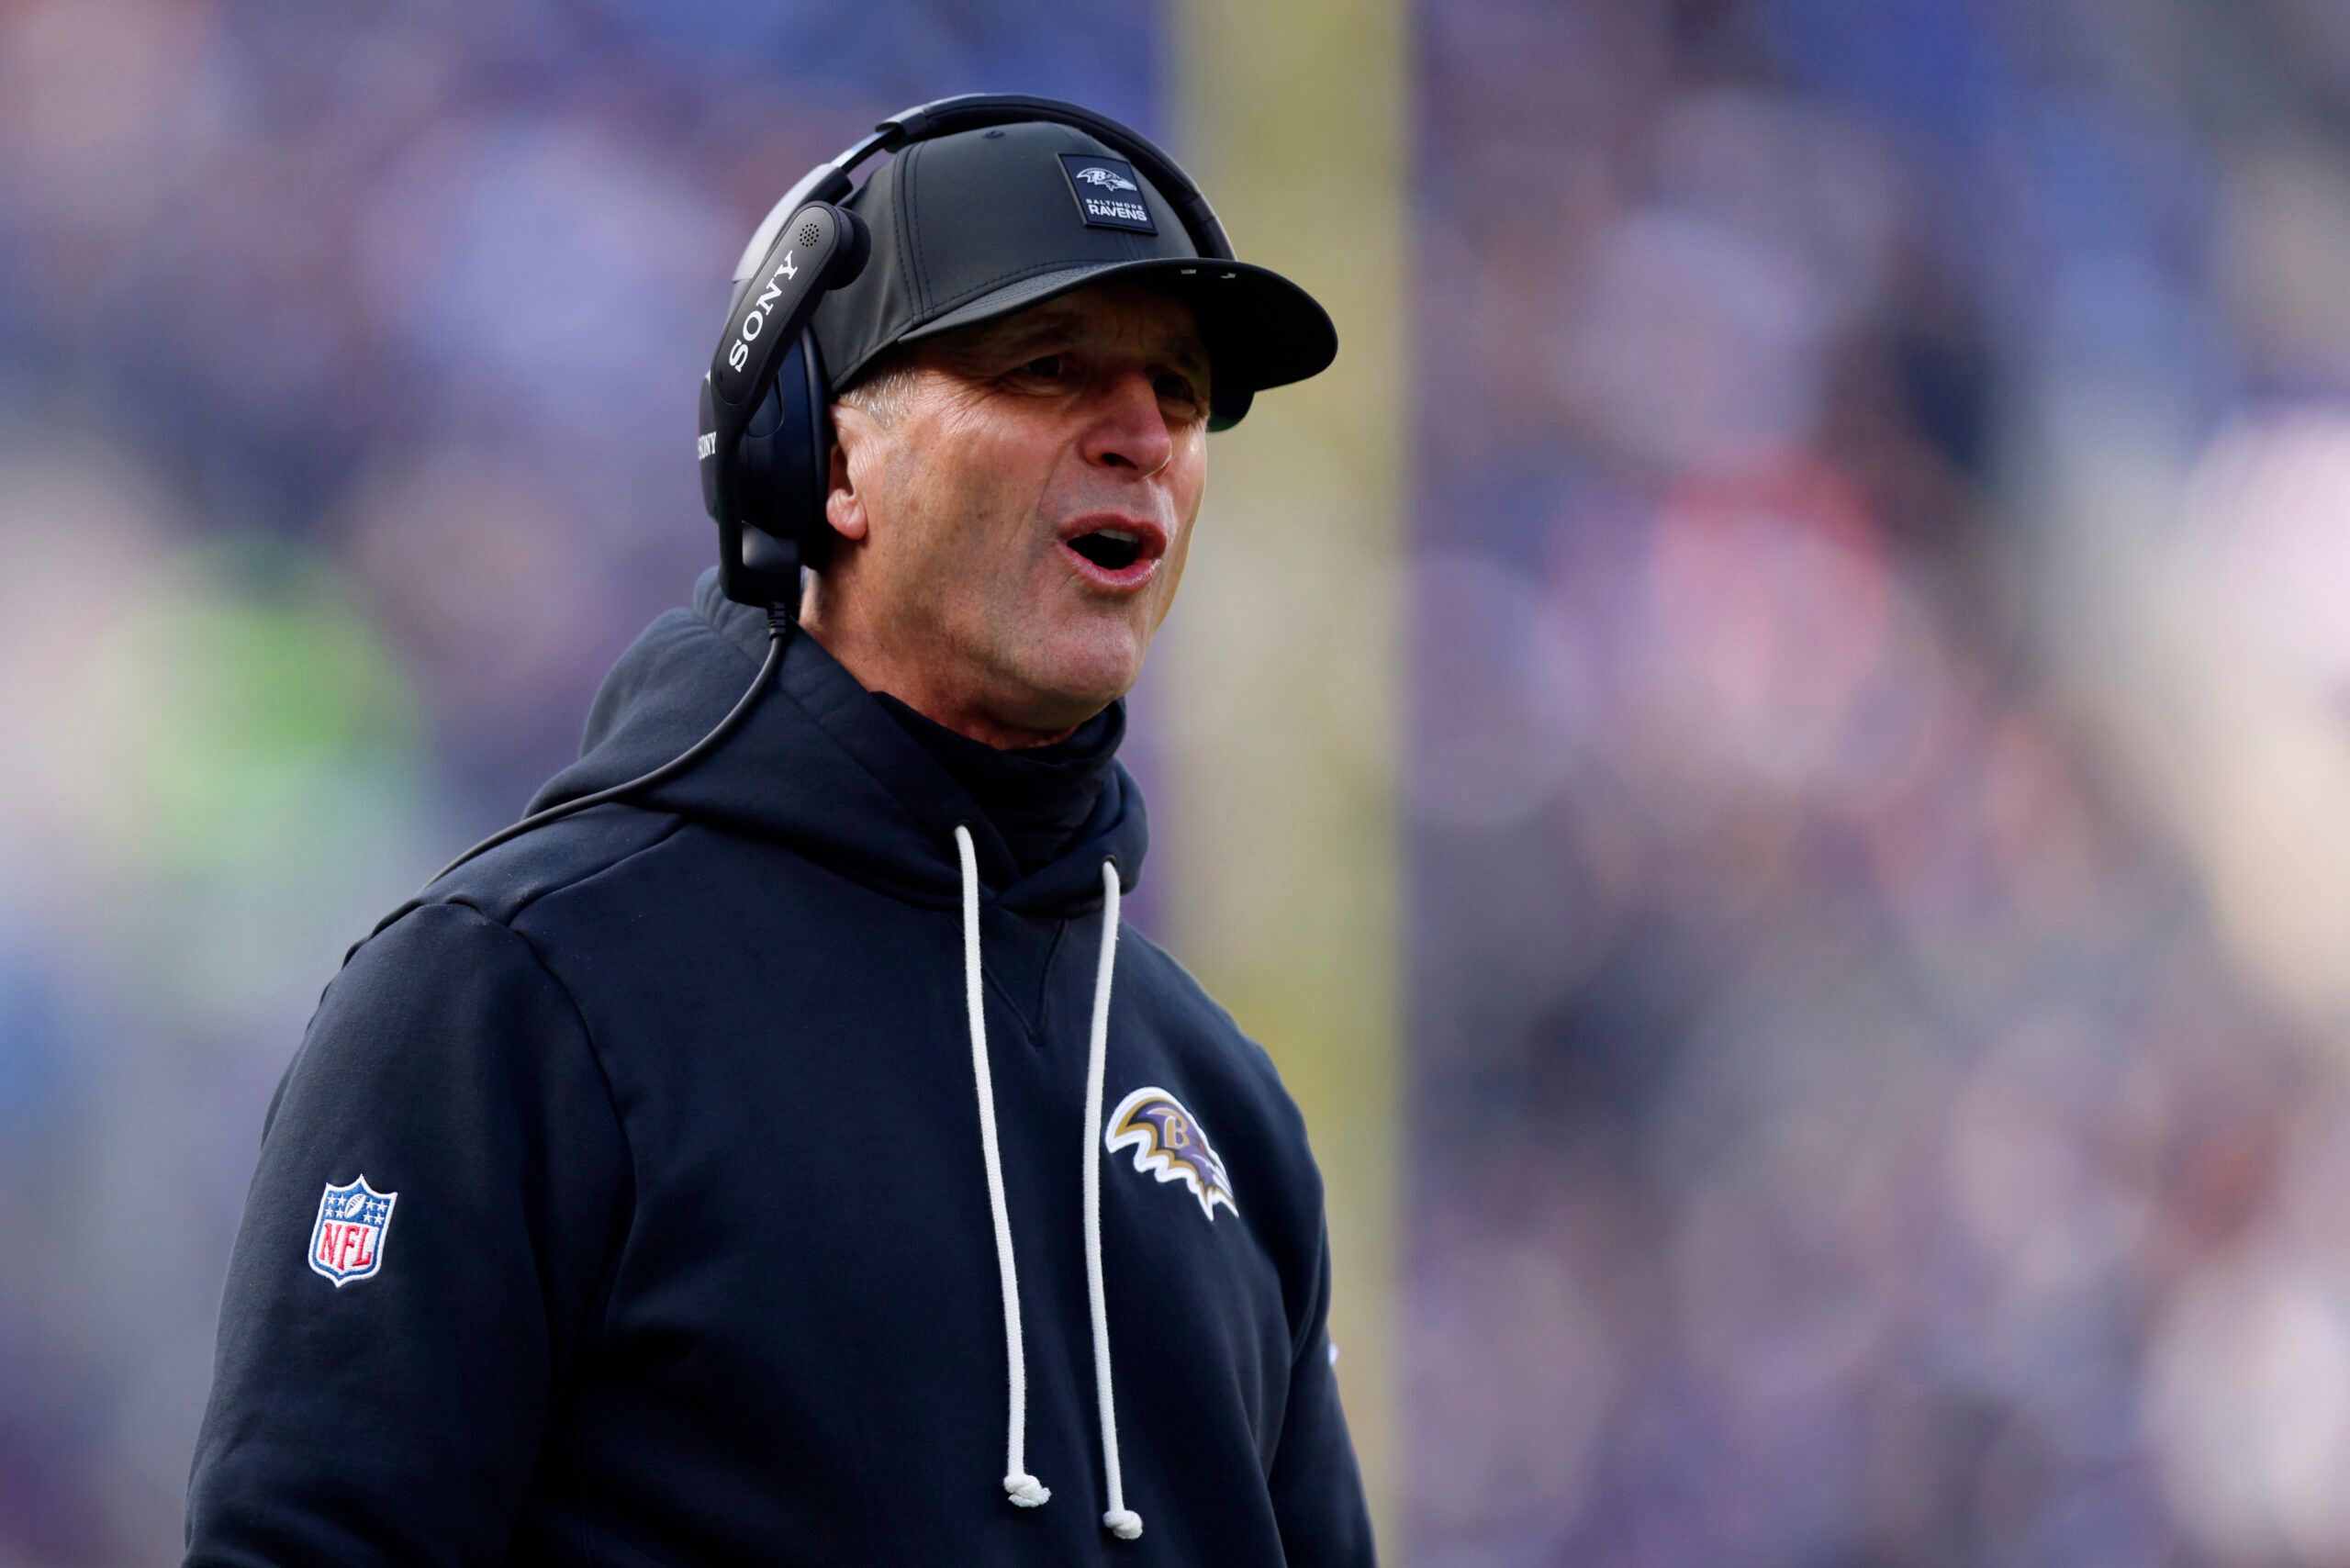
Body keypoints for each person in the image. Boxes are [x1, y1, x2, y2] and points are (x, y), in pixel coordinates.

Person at [183, 110, 1374, 1564]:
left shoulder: (1225, 1107)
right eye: (1048, 366)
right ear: (823, 460)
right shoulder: (512, 999)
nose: (1140, 438)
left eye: (1180, 395)